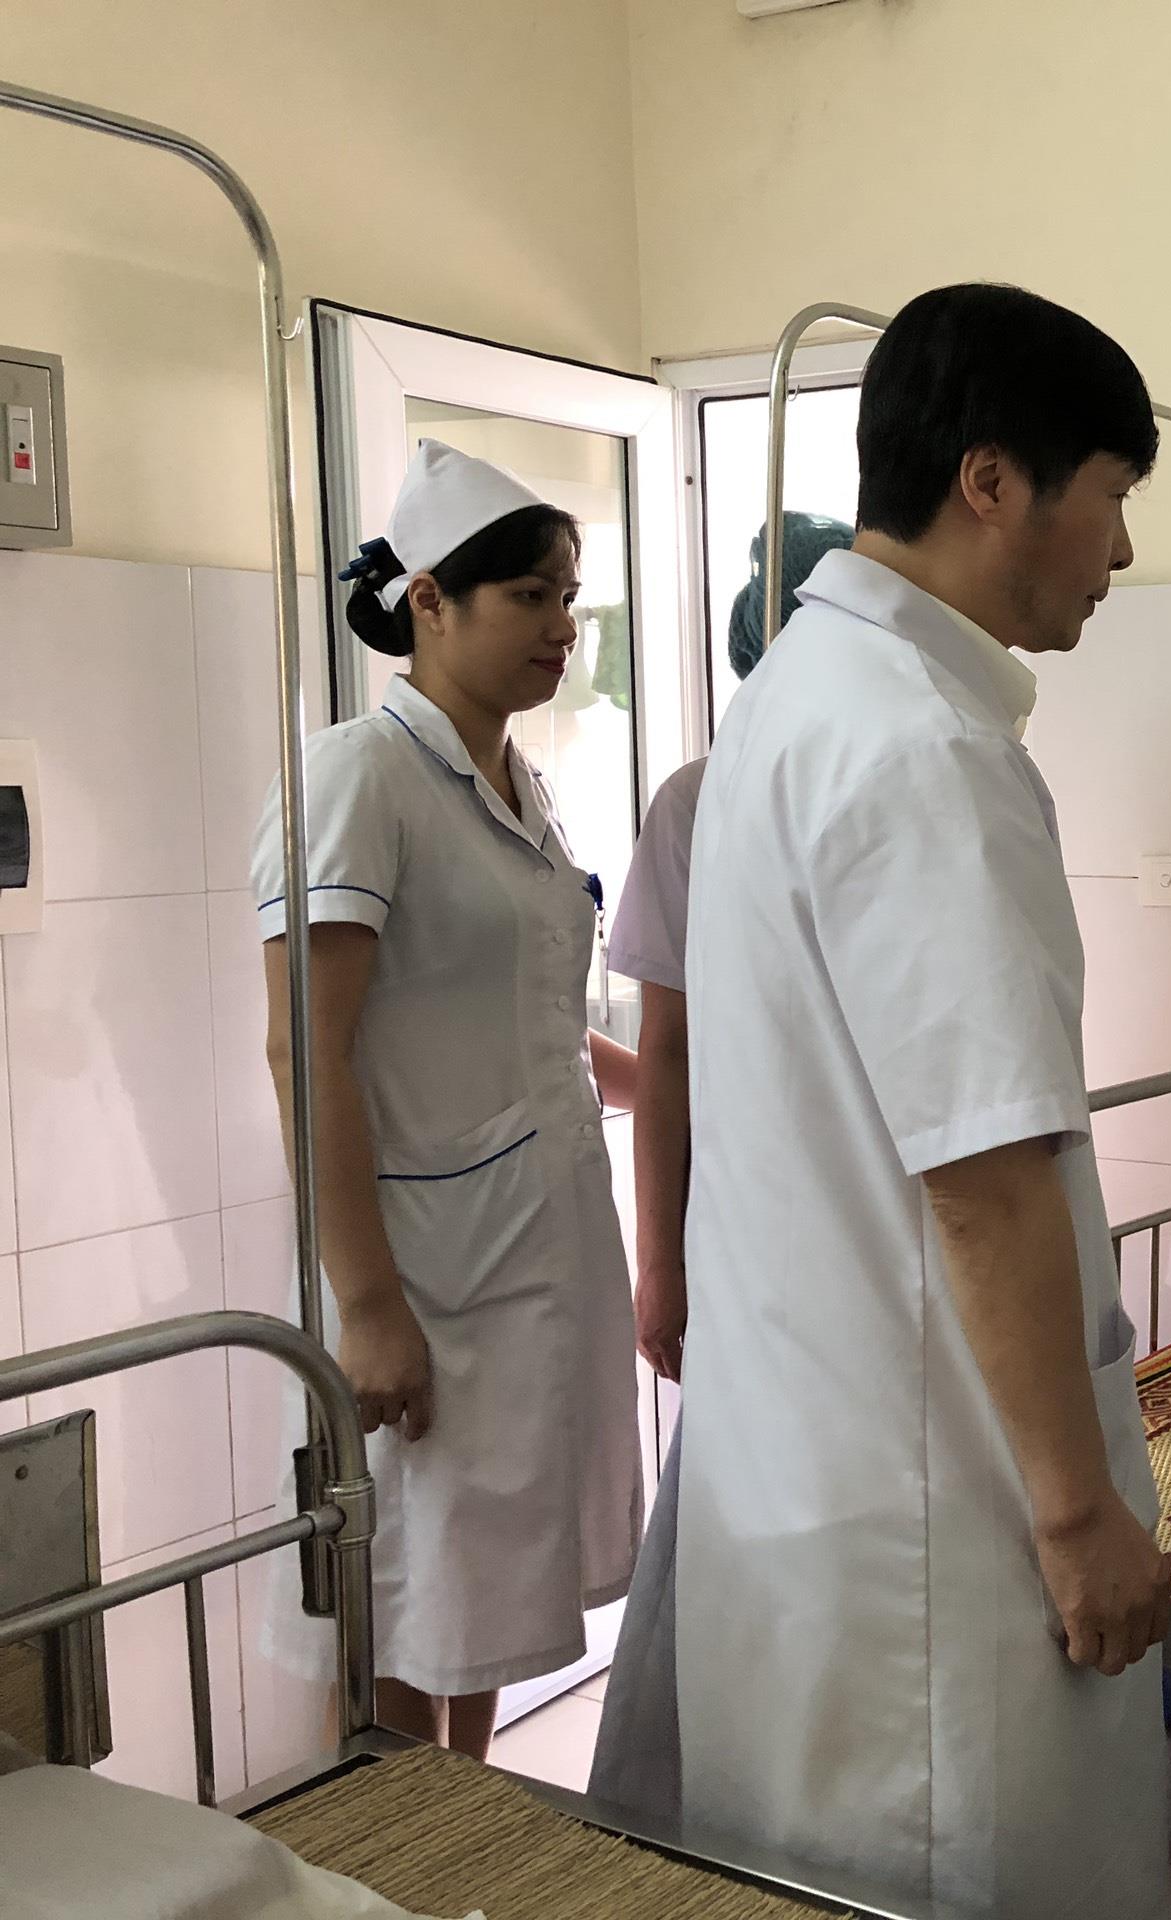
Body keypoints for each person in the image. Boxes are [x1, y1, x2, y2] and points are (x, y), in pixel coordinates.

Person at [674, 284, 1171, 1916]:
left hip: (812, 1473)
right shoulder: (922, 749)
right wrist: (1078, 1512)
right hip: (929, 1516)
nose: (1119, 550)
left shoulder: (797, 702)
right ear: (992, 482)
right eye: (1111, 498)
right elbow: (985, 1179)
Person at [252, 440, 645, 1759]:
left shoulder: (522, 788)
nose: (561, 628)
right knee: (397, 1618)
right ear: (429, 600)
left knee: (478, 1611)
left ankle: (464, 1848)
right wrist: (368, 1306)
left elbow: (529, 1018)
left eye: (568, 598)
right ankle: (380, 1865)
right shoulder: (357, 777)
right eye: (529, 596)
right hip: (418, 1275)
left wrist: (685, 1092)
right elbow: (303, 1048)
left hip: (530, 1261)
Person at [584, 508, 853, 1817]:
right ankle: (697, 1814)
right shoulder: (697, 803)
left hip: (866, 1234)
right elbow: (670, 1054)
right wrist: (663, 1266)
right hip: (754, 1236)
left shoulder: (906, 775)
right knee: (743, 1525)